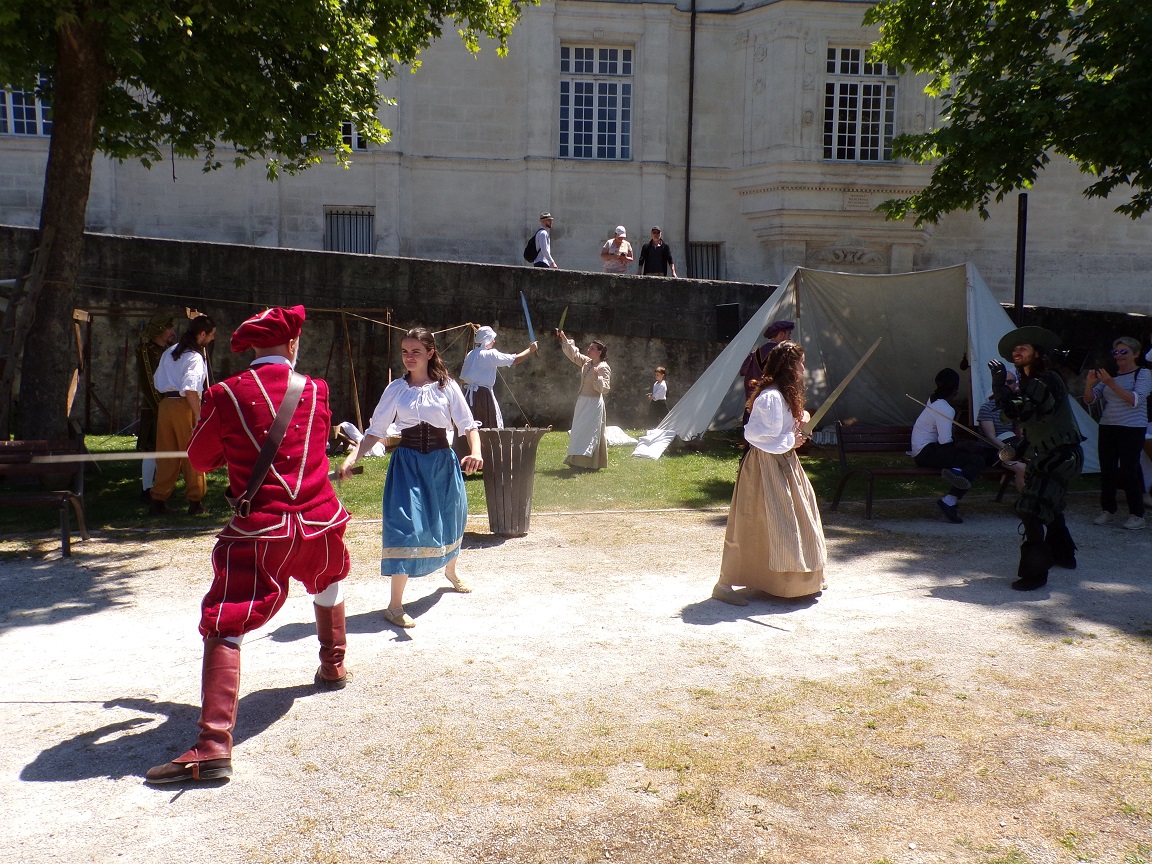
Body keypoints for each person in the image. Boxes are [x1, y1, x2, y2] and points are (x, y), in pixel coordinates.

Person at [145, 305, 352, 784]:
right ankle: (333, 666)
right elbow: (310, 447)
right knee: (328, 578)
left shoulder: (224, 393)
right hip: (320, 521)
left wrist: (228, 455)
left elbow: (199, 459)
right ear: (293, 345)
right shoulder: (317, 390)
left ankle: (213, 746)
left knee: (226, 619)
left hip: (262, 531)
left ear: (254, 347)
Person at [339, 327, 482, 629]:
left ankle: (451, 572)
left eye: (415, 351)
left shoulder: (447, 387)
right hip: (408, 466)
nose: (409, 357)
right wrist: (353, 457)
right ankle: (394, 606)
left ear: (430, 353)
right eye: (405, 351)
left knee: (451, 518)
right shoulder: (396, 390)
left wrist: (475, 451)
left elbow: (468, 424)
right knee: (406, 528)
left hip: (442, 463)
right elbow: (376, 431)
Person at [712, 341, 826, 605]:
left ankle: (793, 582)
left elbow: (782, 428)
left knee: (796, 519)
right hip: (764, 466)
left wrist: (800, 423)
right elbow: (754, 435)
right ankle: (725, 584)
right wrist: (790, 440)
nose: (803, 368)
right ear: (788, 365)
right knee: (753, 523)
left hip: (784, 462)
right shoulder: (771, 397)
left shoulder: (784, 394)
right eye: (800, 363)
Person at [989, 326, 1084, 590]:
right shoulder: (1031, 384)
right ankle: (1063, 555)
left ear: (1038, 353)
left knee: (1031, 510)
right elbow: (1034, 425)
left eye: (1023, 347)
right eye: (1015, 349)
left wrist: (1000, 387)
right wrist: (1019, 449)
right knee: (1048, 506)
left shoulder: (1046, 379)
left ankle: (1035, 575)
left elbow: (1025, 413)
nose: (1016, 351)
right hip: (1049, 455)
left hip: (1062, 456)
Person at [150, 315, 216, 516]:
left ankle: (158, 499)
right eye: (211, 335)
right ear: (202, 334)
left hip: (166, 406)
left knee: (166, 454)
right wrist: (199, 415)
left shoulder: (170, 351)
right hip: (185, 405)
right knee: (192, 453)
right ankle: (195, 501)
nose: (212, 339)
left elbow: (156, 380)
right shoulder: (195, 357)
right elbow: (190, 389)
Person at [1083, 336, 1149, 530]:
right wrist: (1089, 384)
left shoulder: (1143, 374)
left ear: (1136, 354)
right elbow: (1090, 400)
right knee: (1108, 469)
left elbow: (1135, 400)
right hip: (1108, 425)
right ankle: (1108, 509)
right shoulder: (1112, 375)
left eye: (1124, 352)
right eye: (1115, 352)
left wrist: (1111, 383)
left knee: (1129, 470)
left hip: (1132, 427)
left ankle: (1137, 514)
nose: (1119, 356)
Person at [910, 368, 987, 524]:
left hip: (924, 452)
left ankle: (957, 471)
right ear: (955, 390)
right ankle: (949, 500)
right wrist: (966, 445)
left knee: (971, 457)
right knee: (977, 460)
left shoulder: (933, 400)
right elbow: (945, 442)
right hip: (927, 453)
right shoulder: (944, 408)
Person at [458, 325, 538, 429]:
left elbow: (463, 379)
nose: (494, 341)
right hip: (483, 396)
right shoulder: (490, 354)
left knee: (470, 427)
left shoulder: (470, 354)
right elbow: (515, 359)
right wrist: (530, 349)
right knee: (486, 428)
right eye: (492, 339)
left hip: (468, 396)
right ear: (487, 340)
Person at [556, 329, 611, 470]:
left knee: (590, 431)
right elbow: (574, 355)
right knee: (579, 430)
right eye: (589, 347)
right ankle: (576, 461)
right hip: (582, 401)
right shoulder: (587, 363)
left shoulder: (603, 367)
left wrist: (598, 378)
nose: (589, 349)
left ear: (599, 352)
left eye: (592, 348)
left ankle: (590, 463)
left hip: (593, 403)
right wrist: (563, 337)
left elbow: (604, 389)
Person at [135, 312, 176, 501]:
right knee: (152, 448)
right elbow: (148, 381)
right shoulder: (146, 350)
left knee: (165, 447)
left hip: (168, 405)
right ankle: (147, 489)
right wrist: (159, 407)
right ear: (160, 330)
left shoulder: (168, 350)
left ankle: (163, 486)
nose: (173, 332)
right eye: (169, 328)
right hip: (154, 407)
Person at [976, 370, 1026, 491]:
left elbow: (1022, 432)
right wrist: (1011, 451)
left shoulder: (1016, 406)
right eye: (1003, 382)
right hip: (992, 451)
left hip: (1012, 446)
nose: (1006, 385)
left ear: (1015, 384)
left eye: (1010, 382)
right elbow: (991, 438)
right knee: (1022, 468)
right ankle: (1028, 501)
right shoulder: (987, 407)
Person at [739, 320, 795, 425]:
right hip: (775, 402)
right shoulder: (783, 354)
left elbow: (746, 376)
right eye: (789, 334)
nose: (790, 338)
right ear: (782, 334)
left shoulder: (756, 353)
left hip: (756, 401)